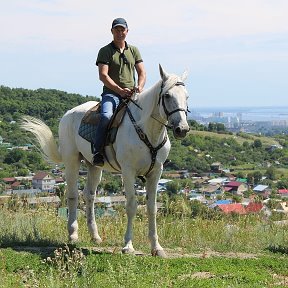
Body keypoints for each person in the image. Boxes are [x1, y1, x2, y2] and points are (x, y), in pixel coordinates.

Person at [92, 17, 146, 166]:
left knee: (151, 114)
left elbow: (142, 73)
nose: (120, 32)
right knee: (106, 116)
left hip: (133, 94)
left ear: (127, 32)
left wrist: (140, 87)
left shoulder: (134, 50)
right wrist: (119, 90)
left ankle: (153, 154)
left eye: (122, 29)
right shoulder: (105, 51)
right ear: (112, 31)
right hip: (112, 94)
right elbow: (103, 75)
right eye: (117, 30)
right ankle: (98, 151)